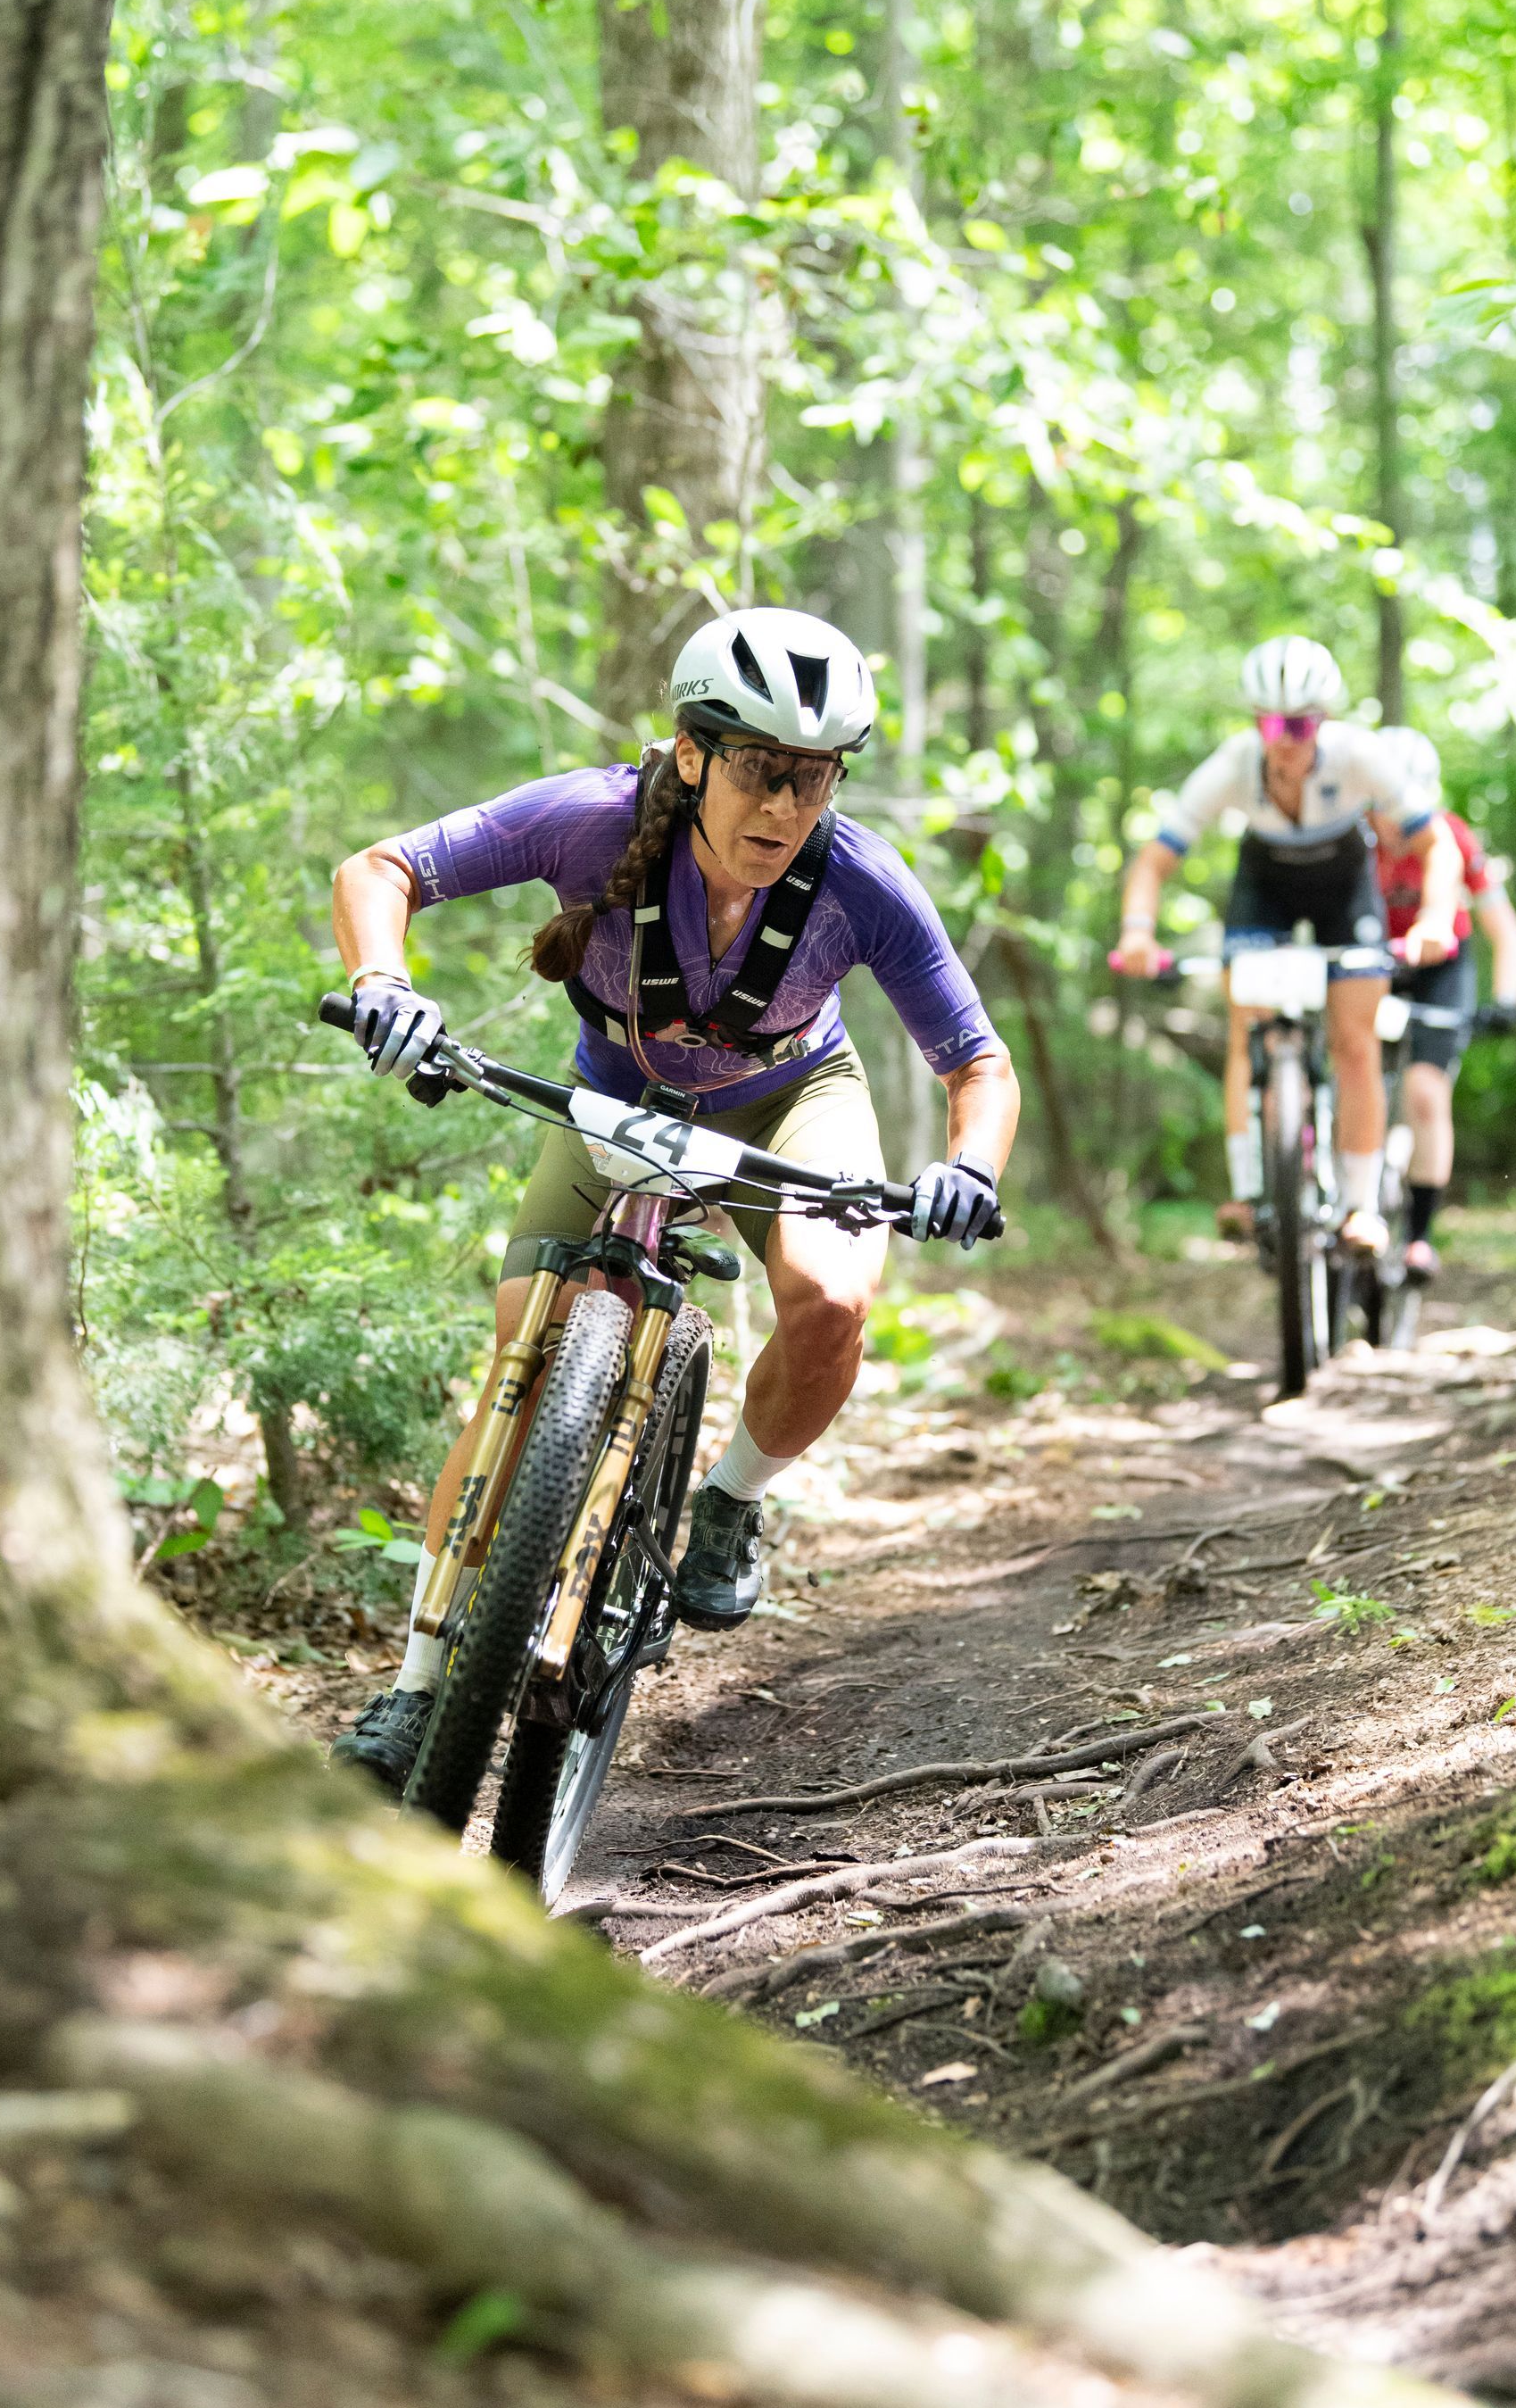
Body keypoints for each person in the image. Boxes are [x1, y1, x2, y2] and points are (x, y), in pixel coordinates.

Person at [326, 607, 1021, 1792]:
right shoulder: (590, 821)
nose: (784, 809)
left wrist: (969, 1171)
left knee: (832, 1301)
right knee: (520, 1369)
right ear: (693, 752)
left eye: (814, 781)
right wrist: (385, 985)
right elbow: (380, 869)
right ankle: (416, 1688)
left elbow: (978, 1067)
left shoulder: (859, 881)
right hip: (616, 1104)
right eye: (760, 772)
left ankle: (731, 1503)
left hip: (789, 1105)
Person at [1116, 635, 1461, 1253]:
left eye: (1301, 723)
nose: (1287, 737)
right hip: (1265, 886)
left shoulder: (1360, 755)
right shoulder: (1233, 765)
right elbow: (1154, 859)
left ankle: (1360, 1206)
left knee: (1355, 1041)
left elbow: (1436, 842)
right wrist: (1138, 932)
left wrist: (1435, 919)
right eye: (1274, 722)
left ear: (1323, 720)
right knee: (1248, 1031)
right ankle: (1251, 1192)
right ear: (1257, 721)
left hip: (1345, 888)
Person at [1371, 727, 1516, 1281]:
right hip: (1372, 965)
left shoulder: (1453, 840)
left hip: (1442, 970)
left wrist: (1506, 1002)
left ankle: (1418, 1237)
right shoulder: (1351, 841)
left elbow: (1508, 935)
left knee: (1424, 1091)